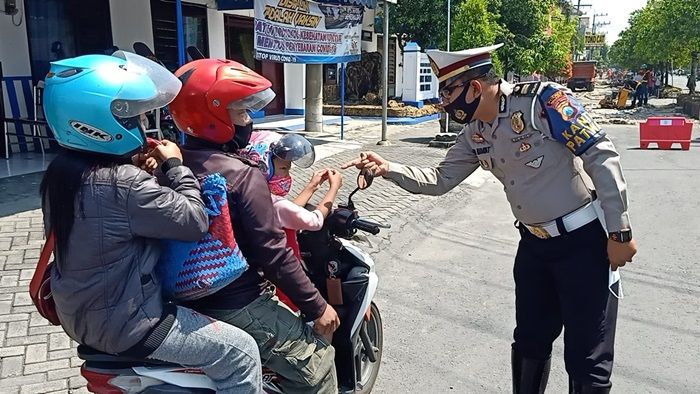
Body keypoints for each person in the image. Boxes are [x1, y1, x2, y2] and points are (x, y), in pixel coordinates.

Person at [343, 44, 638, 394]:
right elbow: (440, 180)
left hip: (584, 245)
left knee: (587, 359)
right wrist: (388, 168)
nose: (444, 101)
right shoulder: (475, 132)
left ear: (475, 87)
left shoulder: (540, 102)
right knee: (529, 341)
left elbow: (600, 155)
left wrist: (619, 232)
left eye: (449, 91)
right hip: (533, 247)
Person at [40, 52, 263, 393]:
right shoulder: (123, 182)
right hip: (128, 324)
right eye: (129, 117)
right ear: (99, 121)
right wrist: (175, 166)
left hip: (82, 314)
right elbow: (194, 221)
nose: (141, 127)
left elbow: (111, 220)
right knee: (242, 353)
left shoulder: (62, 173)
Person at [169, 58, 339, 394]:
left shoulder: (169, 165)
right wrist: (318, 307)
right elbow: (273, 253)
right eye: (240, 111)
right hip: (236, 303)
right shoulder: (242, 175)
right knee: (318, 364)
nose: (248, 120)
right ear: (212, 115)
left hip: (180, 303)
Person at [239, 130, 343, 312]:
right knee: (321, 321)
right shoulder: (272, 202)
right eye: (283, 169)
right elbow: (314, 220)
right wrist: (333, 189)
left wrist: (311, 187)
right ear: (263, 168)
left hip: (266, 275)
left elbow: (289, 211)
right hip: (286, 279)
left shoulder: (253, 198)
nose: (287, 176)